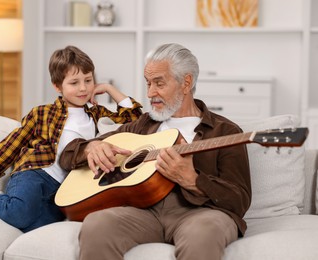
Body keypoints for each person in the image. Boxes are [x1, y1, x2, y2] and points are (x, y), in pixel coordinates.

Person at [59, 43, 251, 260]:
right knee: (97, 224)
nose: (150, 93)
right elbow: (67, 155)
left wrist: (194, 180)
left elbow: (240, 200)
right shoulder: (143, 125)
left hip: (199, 213)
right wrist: (91, 147)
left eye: (159, 83)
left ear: (186, 83)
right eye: (148, 83)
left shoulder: (225, 131)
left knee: (203, 234)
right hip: (141, 211)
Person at [0, 45, 143, 232]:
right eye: (74, 82)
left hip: (64, 187)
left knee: (40, 224)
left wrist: (108, 88)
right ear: (57, 86)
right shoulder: (42, 113)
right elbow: (9, 146)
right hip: (34, 173)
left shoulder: (97, 114)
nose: (83, 88)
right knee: (19, 214)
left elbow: (134, 119)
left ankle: (5, 201)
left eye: (88, 80)